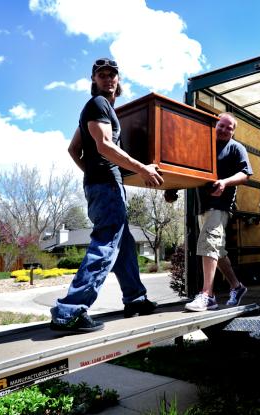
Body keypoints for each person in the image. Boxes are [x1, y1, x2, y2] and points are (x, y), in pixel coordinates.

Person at [50, 58, 164, 333]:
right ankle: (71, 310)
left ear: (118, 79)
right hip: (106, 186)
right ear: (94, 80)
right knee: (106, 244)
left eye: (112, 75)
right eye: (101, 75)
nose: (107, 79)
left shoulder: (100, 109)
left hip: (102, 184)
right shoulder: (98, 104)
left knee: (123, 243)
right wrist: (142, 169)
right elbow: (103, 145)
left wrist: (91, 173)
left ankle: (135, 298)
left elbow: (73, 149)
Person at [165, 112, 252, 312]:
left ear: (233, 132)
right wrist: (173, 189)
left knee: (208, 244)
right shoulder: (203, 147)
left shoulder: (236, 148)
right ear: (215, 125)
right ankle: (237, 287)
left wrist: (225, 182)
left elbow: (245, 174)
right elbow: (190, 171)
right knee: (217, 251)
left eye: (229, 128)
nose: (224, 130)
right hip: (202, 207)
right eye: (221, 125)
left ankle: (207, 295)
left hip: (220, 206)